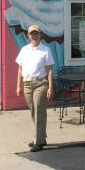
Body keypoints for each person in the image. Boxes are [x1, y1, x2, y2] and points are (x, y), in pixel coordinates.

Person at [16, 24, 54, 152]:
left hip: (40, 84)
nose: (34, 36)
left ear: (40, 35)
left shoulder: (45, 50)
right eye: (32, 34)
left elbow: (49, 70)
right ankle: (41, 137)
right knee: (33, 111)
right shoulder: (24, 50)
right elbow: (20, 69)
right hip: (27, 84)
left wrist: (50, 87)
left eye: (36, 33)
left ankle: (38, 141)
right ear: (28, 36)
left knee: (39, 110)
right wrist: (18, 86)